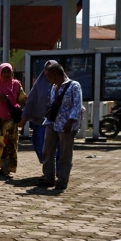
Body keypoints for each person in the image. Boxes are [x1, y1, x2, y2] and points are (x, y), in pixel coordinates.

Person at [38, 61, 82, 190]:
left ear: (56, 75)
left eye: (48, 76)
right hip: (52, 123)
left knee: (65, 154)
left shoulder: (74, 86)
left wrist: (70, 121)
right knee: (47, 151)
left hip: (66, 125)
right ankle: (48, 178)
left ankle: (62, 180)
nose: (47, 79)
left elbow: (77, 105)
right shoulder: (53, 87)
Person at [20, 60, 55, 162]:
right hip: (40, 121)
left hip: (57, 123)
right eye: (47, 69)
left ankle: (56, 169)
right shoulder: (39, 84)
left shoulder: (63, 84)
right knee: (39, 144)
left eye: (52, 68)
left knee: (56, 147)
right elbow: (31, 100)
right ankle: (46, 167)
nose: (48, 72)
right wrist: (24, 118)